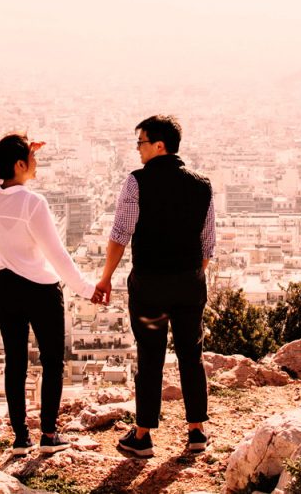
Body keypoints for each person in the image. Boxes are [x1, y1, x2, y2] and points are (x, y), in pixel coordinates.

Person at [95, 115, 215, 458]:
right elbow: (208, 244)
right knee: (192, 354)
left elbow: (120, 235)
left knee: (151, 356)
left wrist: (105, 278)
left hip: (150, 285)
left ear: (159, 145)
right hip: (190, 283)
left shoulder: (137, 182)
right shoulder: (202, 184)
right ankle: (196, 432)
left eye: (141, 143)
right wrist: (189, 273)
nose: (138, 150)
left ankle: (143, 435)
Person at [0, 133, 102, 456]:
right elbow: (58, 256)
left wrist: (16, 153)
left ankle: (20, 438)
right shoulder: (34, 204)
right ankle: (48, 434)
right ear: (20, 164)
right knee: (51, 363)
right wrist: (88, 289)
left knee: (15, 364)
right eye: (32, 159)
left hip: (6, 288)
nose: (37, 164)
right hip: (42, 291)